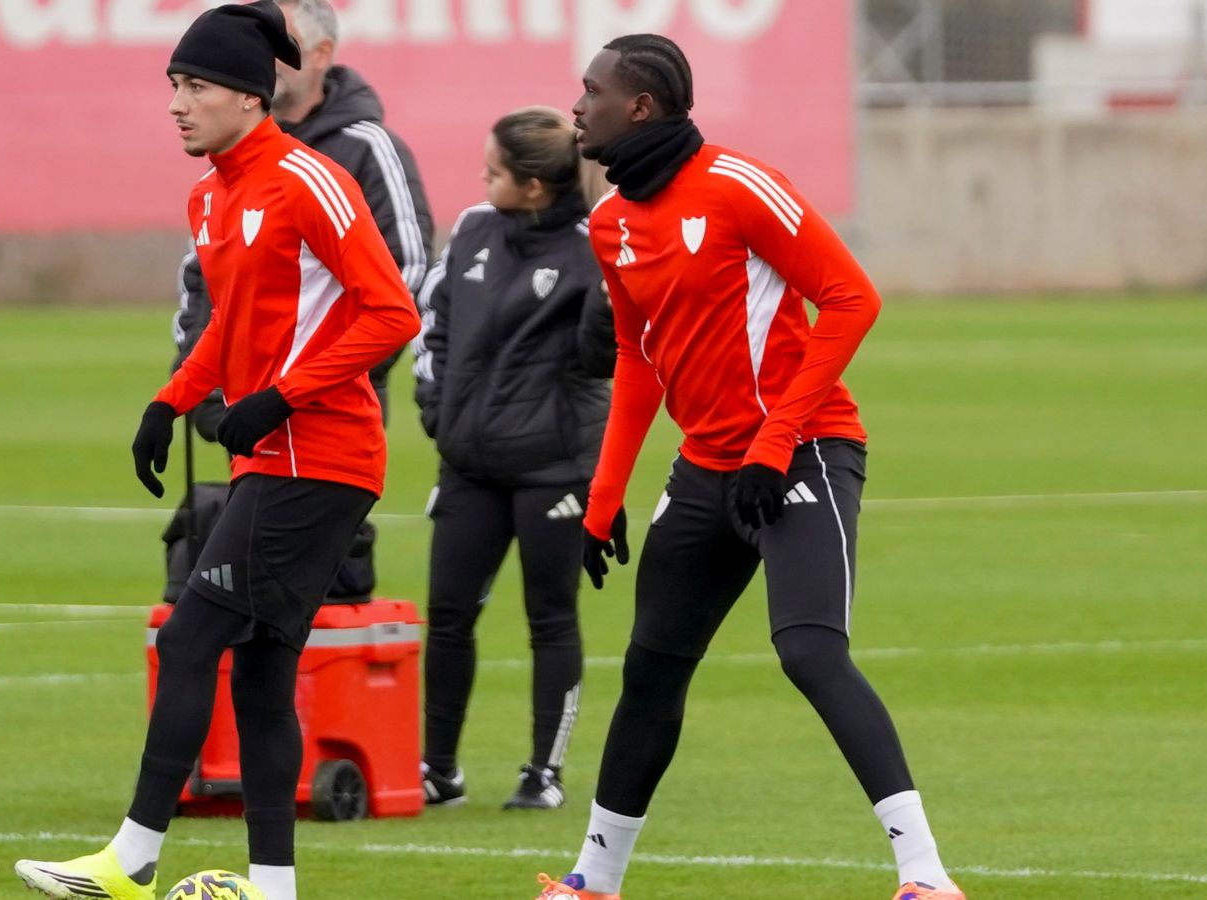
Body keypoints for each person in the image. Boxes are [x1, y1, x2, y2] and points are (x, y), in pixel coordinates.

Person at [532, 34, 964, 900]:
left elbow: (853, 300)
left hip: (802, 451)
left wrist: (773, 445)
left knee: (809, 653)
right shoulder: (611, 222)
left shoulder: (737, 186)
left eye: (591, 91)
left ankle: (926, 877)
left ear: (640, 107)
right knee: (652, 670)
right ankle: (592, 883)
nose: (576, 107)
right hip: (706, 471)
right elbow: (637, 357)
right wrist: (603, 496)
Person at [13, 5, 420, 900]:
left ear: (248, 95)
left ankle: (131, 859)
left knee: (192, 638)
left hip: (321, 456)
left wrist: (282, 395)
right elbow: (230, 327)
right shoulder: (212, 194)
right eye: (172, 87)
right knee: (265, 676)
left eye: (194, 88)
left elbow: (393, 311)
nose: (177, 105)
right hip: (272, 461)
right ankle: (272, 887)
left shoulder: (309, 179)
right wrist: (171, 401)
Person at [412, 106, 615, 812]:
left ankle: (544, 773)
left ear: (534, 187)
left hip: (552, 468)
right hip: (468, 462)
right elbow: (432, 325)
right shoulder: (472, 229)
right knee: (448, 614)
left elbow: (605, 356)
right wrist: (438, 412)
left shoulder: (596, 247)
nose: (481, 178)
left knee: (550, 616)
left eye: (493, 170)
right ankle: (437, 769)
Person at [172, 0, 433, 433]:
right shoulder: (232, 152)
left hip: (325, 409)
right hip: (243, 404)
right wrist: (192, 377)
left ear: (321, 53)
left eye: (282, 44)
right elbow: (205, 278)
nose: (263, 56)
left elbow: (406, 270)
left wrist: (311, 382)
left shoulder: (367, 148)